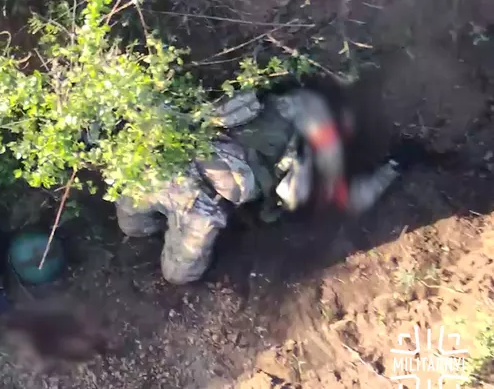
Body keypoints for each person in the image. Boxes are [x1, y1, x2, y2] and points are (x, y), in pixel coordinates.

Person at [115, 81, 407, 285]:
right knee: (141, 234)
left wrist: (392, 168)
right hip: (183, 174)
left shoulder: (300, 115)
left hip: (189, 186)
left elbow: (350, 195)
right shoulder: (300, 117)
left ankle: (159, 228)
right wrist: (393, 167)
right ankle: (157, 228)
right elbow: (352, 196)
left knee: (164, 259)